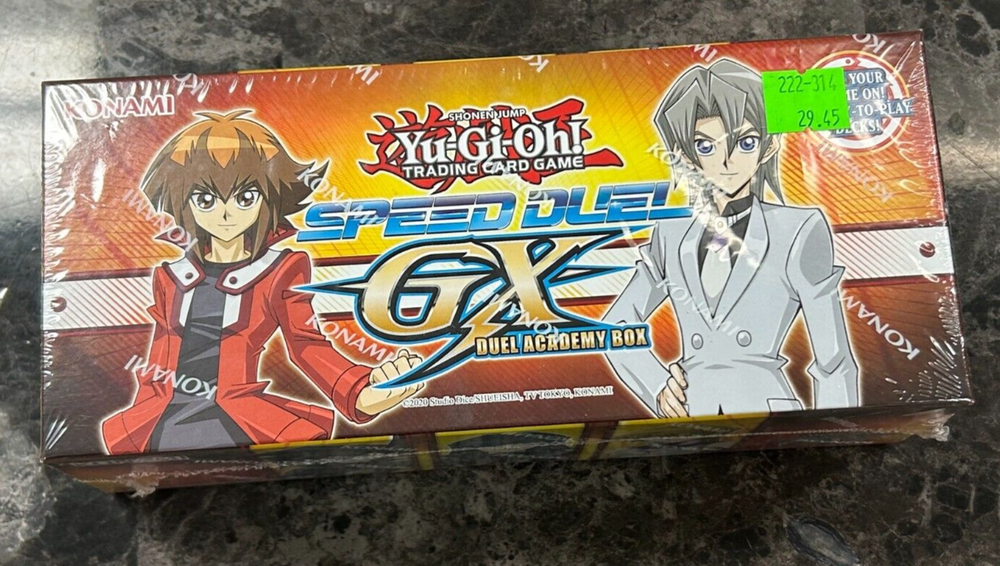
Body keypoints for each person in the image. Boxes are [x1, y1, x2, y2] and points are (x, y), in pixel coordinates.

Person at [101, 110, 423, 455]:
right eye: (205, 200)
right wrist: (141, 426)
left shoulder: (280, 270)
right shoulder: (170, 276)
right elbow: (158, 364)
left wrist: (359, 391)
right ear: (183, 201)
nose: (226, 213)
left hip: (234, 418)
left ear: (269, 197)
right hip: (162, 422)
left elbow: (306, 345)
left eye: (245, 197)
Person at [603, 59, 859, 418]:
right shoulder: (671, 232)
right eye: (705, 146)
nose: (726, 161)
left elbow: (833, 358)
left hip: (768, 412)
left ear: (768, 147)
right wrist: (657, 386)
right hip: (691, 413)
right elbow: (616, 326)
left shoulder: (797, 228)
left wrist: (836, 428)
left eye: (745, 142)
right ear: (685, 155)